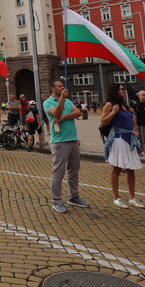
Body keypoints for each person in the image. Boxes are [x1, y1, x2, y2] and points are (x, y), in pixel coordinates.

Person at [43, 80, 89, 213]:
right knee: (58, 172)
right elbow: (56, 113)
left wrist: (64, 117)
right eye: (59, 86)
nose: (63, 88)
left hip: (73, 139)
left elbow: (78, 113)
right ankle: (56, 200)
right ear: (53, 88)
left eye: (63, 86)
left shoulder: (68, 101)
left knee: (74, 171)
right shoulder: (48, 102)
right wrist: (62, 99)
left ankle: (73, 196)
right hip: (59, 141)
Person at [101, 84, 145, 209]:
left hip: (129, 138)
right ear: (116, 91)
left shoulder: (125, 105)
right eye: (122, 89)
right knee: (116, 169)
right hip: (118, 139)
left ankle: (132, 197)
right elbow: (103, 122)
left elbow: (131, 121)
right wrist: (113, 113)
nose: (124, 91)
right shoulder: (110, 105)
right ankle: (116, 198)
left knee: (131, 169)